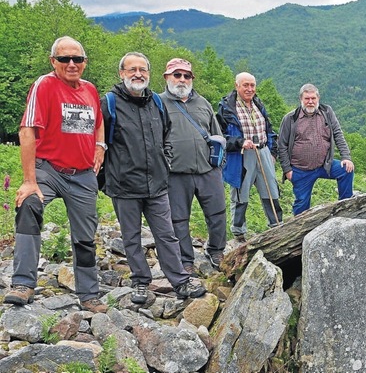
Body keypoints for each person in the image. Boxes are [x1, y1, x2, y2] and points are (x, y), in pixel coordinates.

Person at [4, 36, 108, 312]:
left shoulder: (90, 90)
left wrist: (100, 145)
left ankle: (88, 295)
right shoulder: (45, 85)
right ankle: (23, 283)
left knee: (86, 235)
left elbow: (98, 122)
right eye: (64, 59)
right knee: (28, 205)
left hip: (83, 174)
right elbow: (27, 130)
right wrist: (29, 181)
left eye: (77, 59)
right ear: (53, 61)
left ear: (85, 62)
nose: (71, 64)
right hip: (48, 169)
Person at [101, 53, 206, 304]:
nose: (138, 74)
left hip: (157, 183)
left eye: (143, 70)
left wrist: (165, 160)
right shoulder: (109, 103)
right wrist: (105, 179)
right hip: (124, 185)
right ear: (121, 73)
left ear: (149, 73)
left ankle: (180, 281)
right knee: (131, 236)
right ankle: (140, 281)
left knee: (167, 234)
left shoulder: (156, 103)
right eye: (132, 70)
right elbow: (99, 142)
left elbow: (166, 134)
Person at [160, 58, 228, 271]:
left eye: (186, 75)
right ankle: (186, 261)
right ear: (167, 77)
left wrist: (219, 164)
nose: (182, 79)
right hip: (175, 172)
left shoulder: (203, 103)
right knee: (178, 219)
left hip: (208, 170)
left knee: (217, 213)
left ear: (192, 79)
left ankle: (216, 251)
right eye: (177, 75)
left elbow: (217, 134)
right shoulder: (157, 103)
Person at [218, 72, 282, 241]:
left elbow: (269, 130)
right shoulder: (226, 108)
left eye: (252, 85)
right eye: (245, 85)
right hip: (242, 155)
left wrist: (272, 152)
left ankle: (276, 226)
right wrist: (240, 142)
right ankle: (239, 232)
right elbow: (220, 137)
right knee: (241, 194)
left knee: (271, 191)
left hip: (263, 152)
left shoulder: (258, 104)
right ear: (236, 85)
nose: (249, 89)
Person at [278, 83, 354, 215]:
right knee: (302, 204)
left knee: (346, 170)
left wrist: (346, 157)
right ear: (301, 99)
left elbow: (337, 134)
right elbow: (281, 145)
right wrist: (287, 170)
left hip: (324, 165)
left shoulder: (327, 112)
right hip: (300, 170)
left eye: (313, 98)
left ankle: (345, 208)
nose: (310, 102)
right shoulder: (290, 118)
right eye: (307, 99)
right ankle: (299, 231)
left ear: (318, 98)